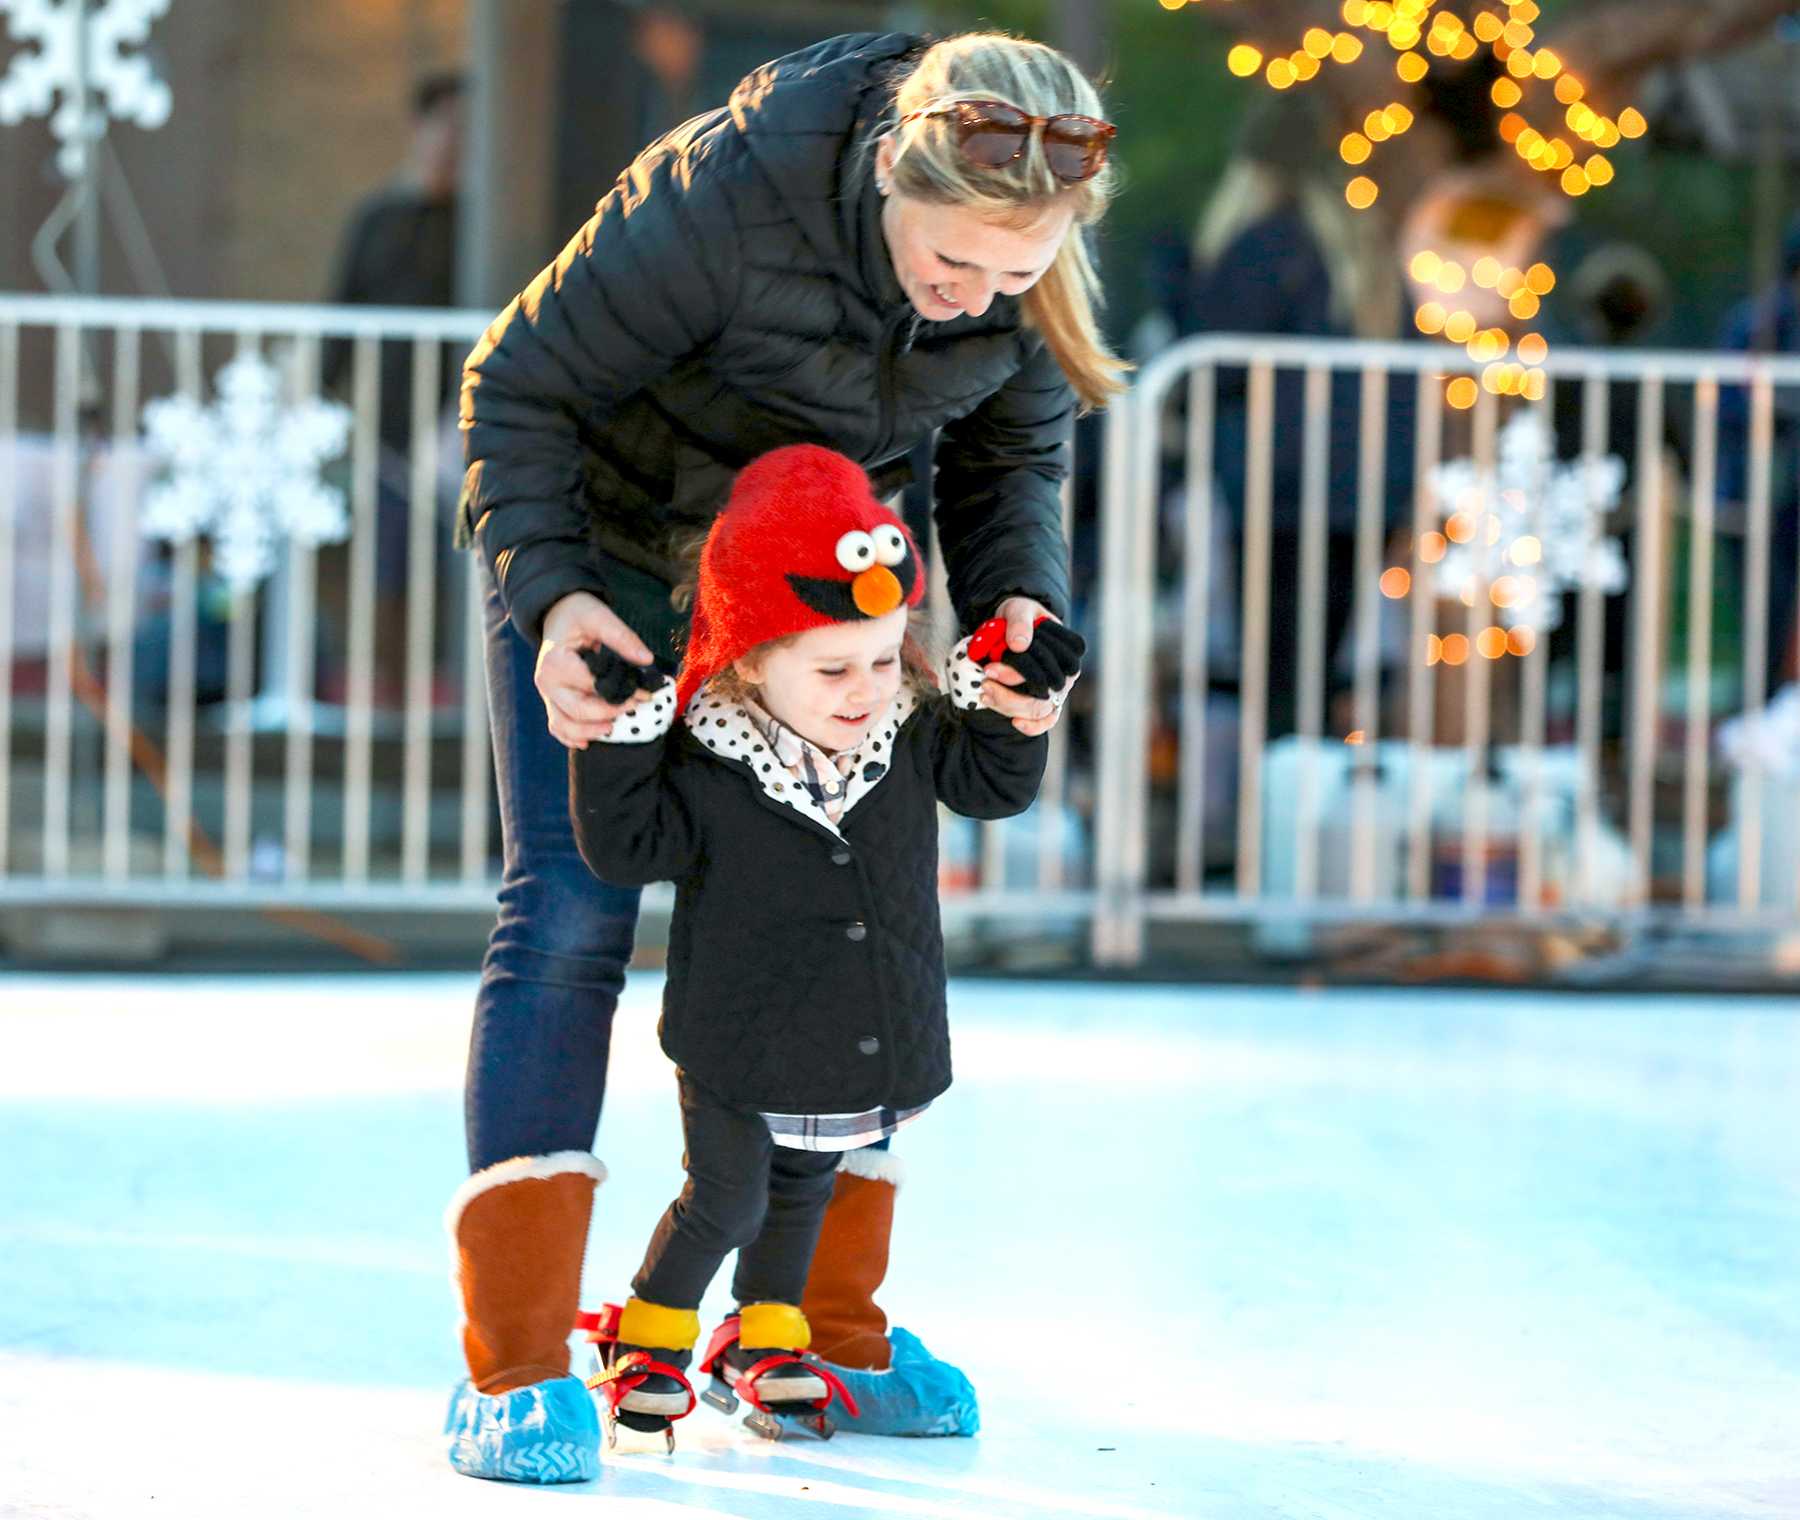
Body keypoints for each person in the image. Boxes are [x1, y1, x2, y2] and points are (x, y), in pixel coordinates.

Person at [443, 29, 1123, 1484]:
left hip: (820, 592)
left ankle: (809, 1327)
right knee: (571, 914)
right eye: (953, 268)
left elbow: (1015, 457)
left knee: (857, 908)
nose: (976, 300)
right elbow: (517, 388)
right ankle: (512, 1358)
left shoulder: (1024, 274)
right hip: (617, 559)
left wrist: (1019, 607)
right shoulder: (725, 194)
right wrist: (558, 599)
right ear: (891, 174)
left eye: (1015, 276)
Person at [568, 444, 1079, 1448]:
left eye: (885, 660)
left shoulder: (910, 734)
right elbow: (628, 846)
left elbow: (995, 785)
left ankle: (766, 1337)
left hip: (850, 1032)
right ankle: (655, 1335)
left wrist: (1018, 704)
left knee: (803, 1191)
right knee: (725, 1195)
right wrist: (622, 739)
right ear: (755, 656)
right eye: (835, 667)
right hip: (737, 1034)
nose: (865, 690)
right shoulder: (711, 757)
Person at [319, 71, 465, 701]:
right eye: (450, 125)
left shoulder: (478, 223)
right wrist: (324, 410)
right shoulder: (377, 220)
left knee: (456, 570)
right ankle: (386, 695)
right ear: (421, 127)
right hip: (387, 429)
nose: (457, 141)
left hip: (460, 428)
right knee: (386, 570)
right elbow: (339, 319)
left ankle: (446, 695)